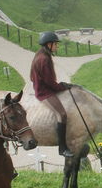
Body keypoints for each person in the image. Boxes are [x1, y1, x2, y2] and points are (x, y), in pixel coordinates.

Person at [30, 31, 75, 160]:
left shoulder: (42, 55)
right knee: (62, 114)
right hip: (44, 92)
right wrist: (62, 86)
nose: (57, 46)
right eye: (55, 44)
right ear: (49, 44)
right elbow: (50, 82)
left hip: (46, 88)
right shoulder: (44, 59)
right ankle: (62, 148)